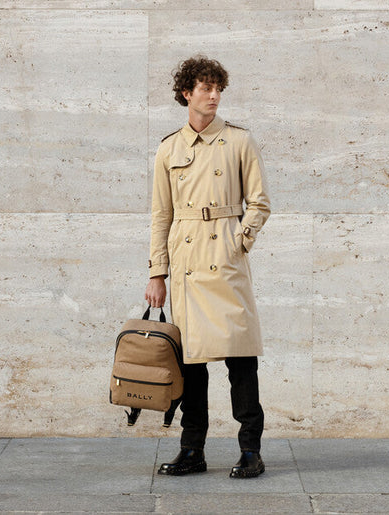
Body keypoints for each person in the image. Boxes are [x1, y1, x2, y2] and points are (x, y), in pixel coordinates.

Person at [144, 55, 271, 479]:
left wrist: (239, 241)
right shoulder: (169, 148)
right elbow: (160, 215)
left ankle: (250, 450)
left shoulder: (239, 141)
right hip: (186, 264)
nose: (214, 96)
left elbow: (260, 202)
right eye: (206, 88)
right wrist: (157, 273)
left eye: (218, 88)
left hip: (225, 260)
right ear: (187, 93)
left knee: (241, 359)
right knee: (191, 365)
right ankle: (192, 449)